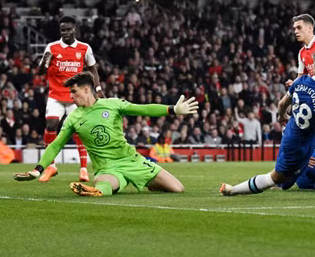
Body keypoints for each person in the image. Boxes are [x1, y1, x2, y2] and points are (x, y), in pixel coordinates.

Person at [13, 71, 198, 197]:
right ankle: (94, 190)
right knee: (103, 185)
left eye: (74, 92)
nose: (71, 97)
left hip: (131, 160)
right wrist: (38, 169)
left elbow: (143, 108)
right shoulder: (73, 118)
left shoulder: (112, 104)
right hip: (107, 168)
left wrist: (173, 109)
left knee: (178, 189)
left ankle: (142, 181)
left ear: (87, 90)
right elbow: (56, 144)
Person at [220, 49, 315, 198]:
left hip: (310, 130)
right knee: (277, 178)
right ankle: (233, 190)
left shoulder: (300, 81)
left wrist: (281, 117)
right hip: (299, 142)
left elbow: (281, 104)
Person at [36, 16, 104, 183]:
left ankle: (83, 169)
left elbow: (92, 70)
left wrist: (98, 89)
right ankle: (51, 166)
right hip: (56, 95)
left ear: (75, 29)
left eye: (68, 29)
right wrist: (44, 61)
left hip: (76, 96)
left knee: (79, 129)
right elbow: (39, 72)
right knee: (51, 125)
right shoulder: (52, 47)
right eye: (63, 30)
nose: (66, 32)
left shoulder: (84, 48)